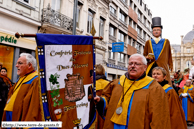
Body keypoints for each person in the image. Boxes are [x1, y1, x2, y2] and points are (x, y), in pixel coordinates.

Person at [94, 53, 170, 129]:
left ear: (145, 67)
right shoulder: (117, 83)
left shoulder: (154, 88)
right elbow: (107, 98)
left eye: (137, 64)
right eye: (130, 63)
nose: (133, 66)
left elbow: (159, 118)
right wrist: (101, 100)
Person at [1, 53, 44, 126]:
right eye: (17, 63)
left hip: (19, 117)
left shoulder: (35, 80)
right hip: (9, 115)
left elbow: (33, 106)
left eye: (20, 63)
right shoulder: (21, 78)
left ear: (29, 65)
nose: (16, 65)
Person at [143, 17, 173, 85]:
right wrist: (147, 57)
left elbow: (169, 54)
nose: (156, 31)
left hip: (163, 65)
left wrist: (170, 65)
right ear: (152, 32)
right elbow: (144, 54)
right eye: (154, 30)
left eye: (158, 30)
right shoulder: (148, 42)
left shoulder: (166, 41)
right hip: (151, 66)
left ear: (161, 31)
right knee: (149, 83)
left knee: (165, 83)